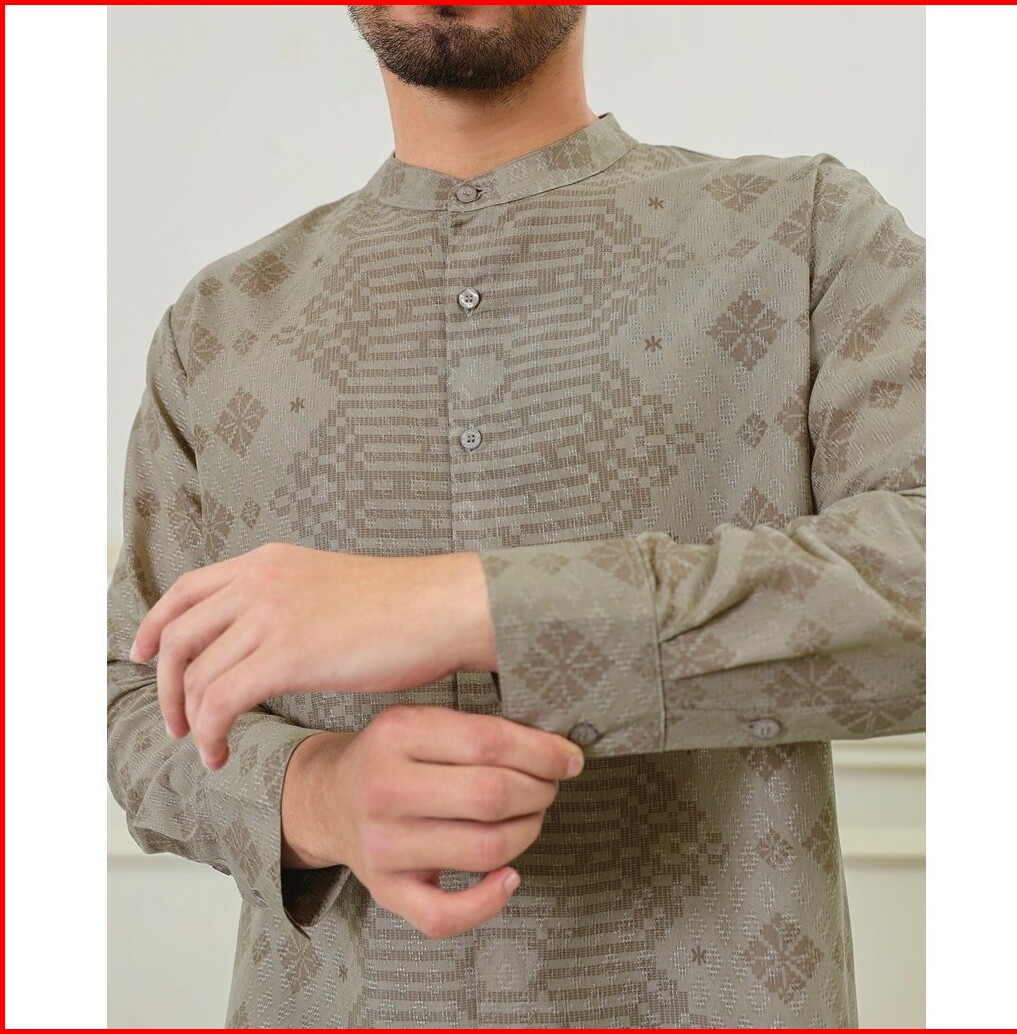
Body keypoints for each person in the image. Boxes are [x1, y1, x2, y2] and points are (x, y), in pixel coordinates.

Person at [107, 5, 925, 1028]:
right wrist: (314, 791)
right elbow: (132, 697)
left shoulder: (807, 234)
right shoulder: (217, 324)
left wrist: (469, 605)